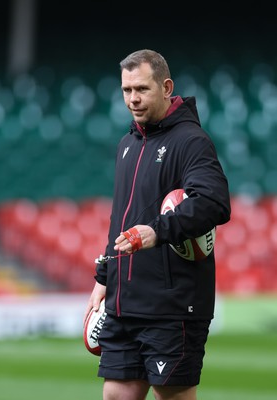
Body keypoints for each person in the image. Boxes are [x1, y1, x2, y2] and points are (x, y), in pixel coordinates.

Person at [83, 49, 231, 400]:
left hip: (171, 307)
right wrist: (105, 278)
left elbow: (213, 202)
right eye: (126, 90)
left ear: (166, 87)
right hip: (124, 304)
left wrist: (158, 230)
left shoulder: (191, 141)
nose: (133, 99)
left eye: (142, 89)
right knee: (115, 396)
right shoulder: (126, 145)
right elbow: (120, 220)